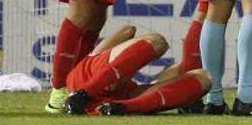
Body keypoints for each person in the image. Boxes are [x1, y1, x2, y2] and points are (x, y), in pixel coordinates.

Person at [64, 25, 210, 115]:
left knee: (203, 77)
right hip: (94, 82)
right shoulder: (89, 64)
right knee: (158, 42)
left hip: (113, 99)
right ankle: (90, 94)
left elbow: (128, 32)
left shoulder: (84, 68)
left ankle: (121, 107)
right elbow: (128, 30)